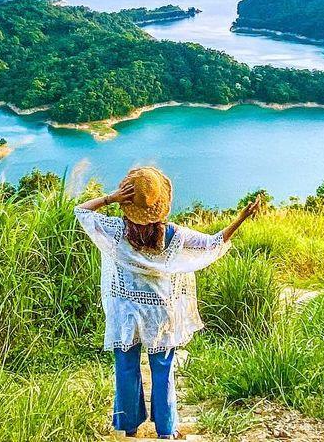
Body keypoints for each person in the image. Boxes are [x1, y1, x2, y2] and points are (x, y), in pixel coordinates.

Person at [75, 166, 259, 439]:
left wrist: (110, 199)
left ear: (129, 201)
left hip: (126, 313)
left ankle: (129, 426)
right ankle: (166, 429)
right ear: (160, 204)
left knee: (126, 369)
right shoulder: (174, 235)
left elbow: (82, 211)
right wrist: (242, 217)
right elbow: (214, 242)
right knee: (162, 370)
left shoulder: (115, 230)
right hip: (161, 315)